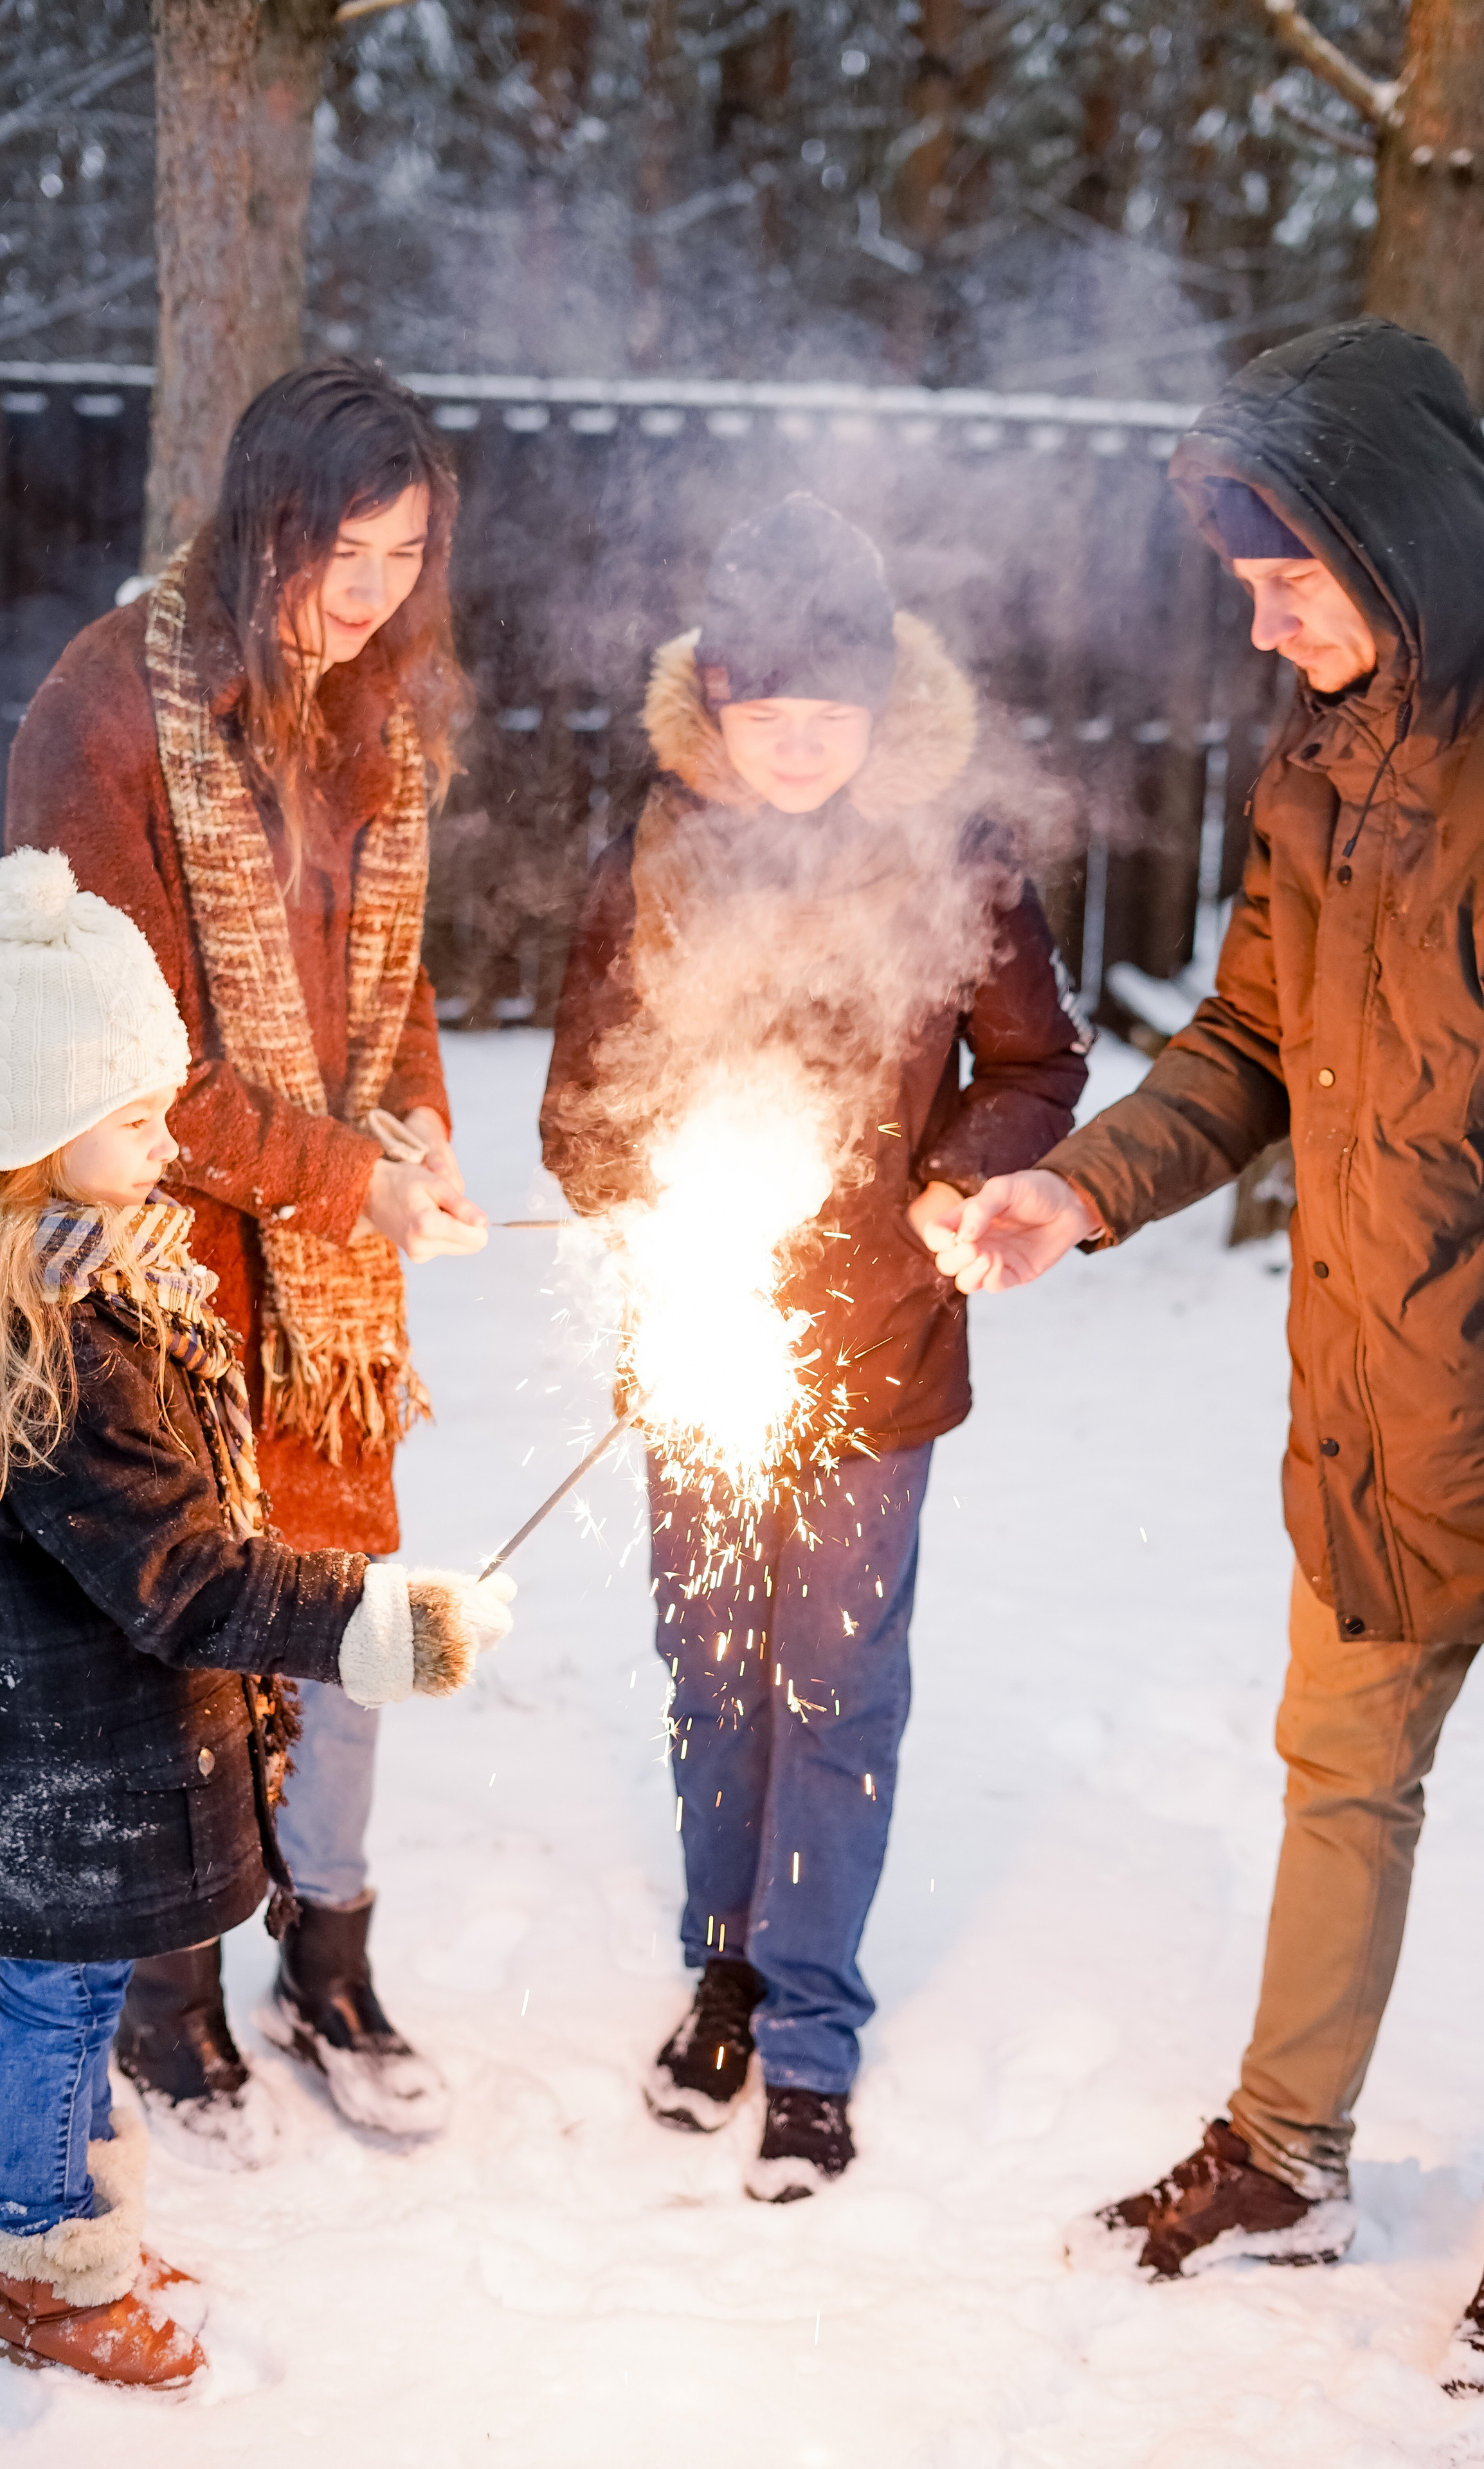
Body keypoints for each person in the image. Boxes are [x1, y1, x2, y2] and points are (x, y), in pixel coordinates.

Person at [930, 315, 1484, 2404]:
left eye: (1289, 572)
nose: (1264, 618)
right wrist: (1077, 1190)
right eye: (1245, 580)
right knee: (1341, 1778)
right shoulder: (1323, 751)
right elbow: (1251, 1046)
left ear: (1401, 536)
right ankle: (1287, 2155)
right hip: (1372, 1394)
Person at [542, 492, 1088, 2198]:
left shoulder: (958, 858)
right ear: (715, 705)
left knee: (834, 1683)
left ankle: (812, 2027)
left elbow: (1036, 1070)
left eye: (831, 719)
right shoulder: (653, 853)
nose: (799, 749)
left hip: (883, 1345)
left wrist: (959, 1179)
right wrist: (644, 1191)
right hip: (704, 1342)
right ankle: (725, 1962)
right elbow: (578, 1103)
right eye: (768, 718)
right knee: (711, 1671)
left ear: (885, 711)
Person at [5, 359, 488, 2157]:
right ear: (255, 524)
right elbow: (111, 1062)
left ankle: (333, 1951)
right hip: (167, 1267)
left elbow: (398, 981)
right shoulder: (105, 716)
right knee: (193, 1625)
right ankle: (174, 1983)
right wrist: (335, 1178)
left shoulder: (371, 712)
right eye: (335, 552)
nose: (366, 595)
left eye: (404, 554)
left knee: (345, 1596)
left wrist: (417, 1128)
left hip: (333, 1312)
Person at [0, 847, 512, 2387]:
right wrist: (380, 1620)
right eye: (138, 1118)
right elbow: (185, 1573)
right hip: (59, 1775)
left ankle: (68, 2207)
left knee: (65, 2008)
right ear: (30, 1133)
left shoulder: (111, 1279)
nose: (170, 1149)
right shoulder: (58, 1346)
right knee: (51, 2010)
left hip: (84, 1762)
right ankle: (44, 2259)